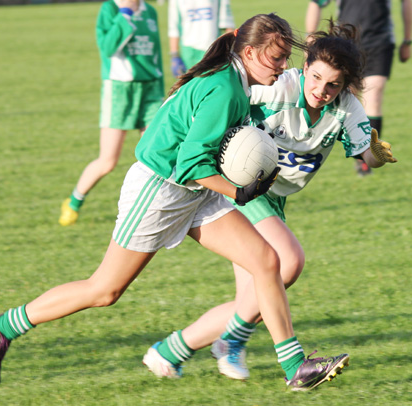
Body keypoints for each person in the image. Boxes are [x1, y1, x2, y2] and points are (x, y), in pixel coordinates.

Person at [0, 14, 346, 392]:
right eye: (278, 58)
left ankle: (295, 367)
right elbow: (191, 164)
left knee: (267, 261)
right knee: (105, 290)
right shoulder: (225, 89)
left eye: (286, 59)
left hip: (194, 192)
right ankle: (2, 326)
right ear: (249, 52)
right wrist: (239, 192)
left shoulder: (236, 83)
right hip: (160, 191)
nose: (284, 67)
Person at [144, 20, 397, 386]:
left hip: (275, 202)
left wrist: (375, 152)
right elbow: (223, 94)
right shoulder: (279, 86)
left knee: (253, 297)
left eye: (333, 85)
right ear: (304, 67)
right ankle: (250, 349)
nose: (321, 90)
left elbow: (367, 157)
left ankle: (172, 350)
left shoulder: (348, 108)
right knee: (288, 262)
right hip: (240, 191)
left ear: (345, 87)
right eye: (315, 77)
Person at [58, 0, 165, 226]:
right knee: (108, 161)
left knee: (158, 154)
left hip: (151, 90)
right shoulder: (110, 9)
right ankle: (73, 202)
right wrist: (125, 13)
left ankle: (161, 209)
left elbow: (155, 56)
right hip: (120, 91)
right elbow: (107, 47)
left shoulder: (150, 11)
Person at [305, 0, 411, 176]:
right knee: (347, 99)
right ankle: (310, 146)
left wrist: (408, 40)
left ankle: (368, 156)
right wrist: (310, 38)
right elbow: (316, 3)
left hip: (380, 41)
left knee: (374, 93)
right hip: (345, 44)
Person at [168, 0, 235, 77]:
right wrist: (174, 55)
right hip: (188, 51)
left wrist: (231, 49)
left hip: (212, 48)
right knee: (192, 85)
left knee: (211, 83)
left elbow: (227, 23)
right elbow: (174, 27)